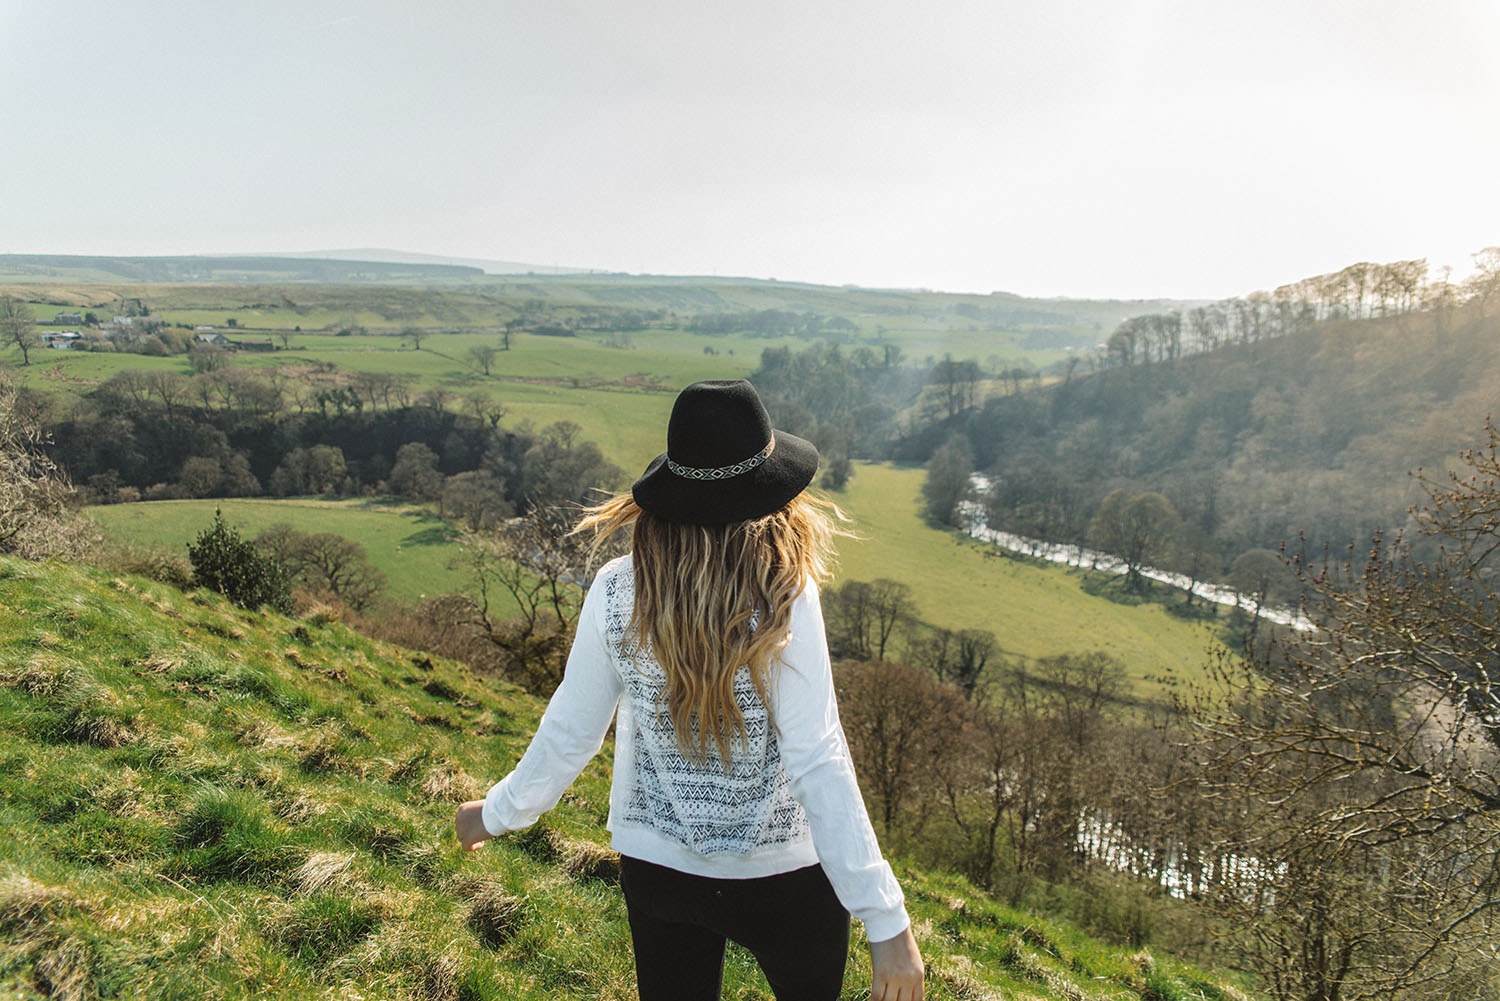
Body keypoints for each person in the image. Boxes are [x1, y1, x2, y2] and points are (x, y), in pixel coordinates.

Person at [454, 379, 924, 1001]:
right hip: (782, 879)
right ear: (770, 496)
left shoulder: (617, 591)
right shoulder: (784, 595)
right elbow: (818, 756)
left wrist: (495, 812)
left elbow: (572, 734)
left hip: (658, 876)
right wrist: (886, 920)